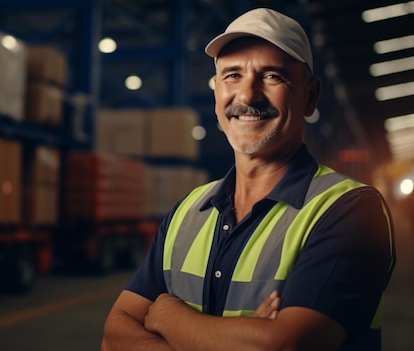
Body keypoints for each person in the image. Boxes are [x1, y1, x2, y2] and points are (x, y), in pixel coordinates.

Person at [101, 7, 396, 351]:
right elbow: (113, 336)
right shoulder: (189, 210)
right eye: (232, 75)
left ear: (310, 96)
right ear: (216, 94)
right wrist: (233, 340)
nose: (246, 96)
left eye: (272, 76)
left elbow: (282, 345)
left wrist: (167, 316)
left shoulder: (350, 211)